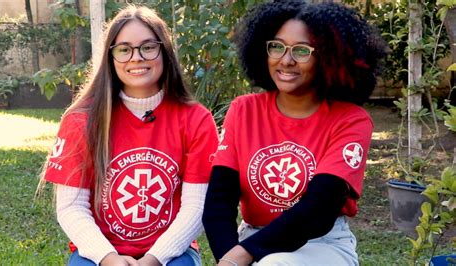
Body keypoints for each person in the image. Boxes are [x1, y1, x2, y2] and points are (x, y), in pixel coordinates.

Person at [202, 1, 387, 265]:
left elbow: (318, 210)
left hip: (322, 243)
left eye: (301, 51)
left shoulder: (350, 120)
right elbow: (219, 202)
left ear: (328, 57)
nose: (286, 60)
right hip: (253, 238)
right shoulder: (243, 110)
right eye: (277, 47)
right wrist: (228, 258)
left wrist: (242, 255)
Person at [39, 5, 218, 266]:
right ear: (110, 58)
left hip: (171, 252)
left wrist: (155, 258)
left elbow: (196, 206)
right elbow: (71, 207)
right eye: (124, 49)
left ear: (165, 52)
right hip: (99, 251)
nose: (136, 57)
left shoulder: (196, 119)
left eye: (148, 47)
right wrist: (108, 257)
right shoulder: (80, 119)